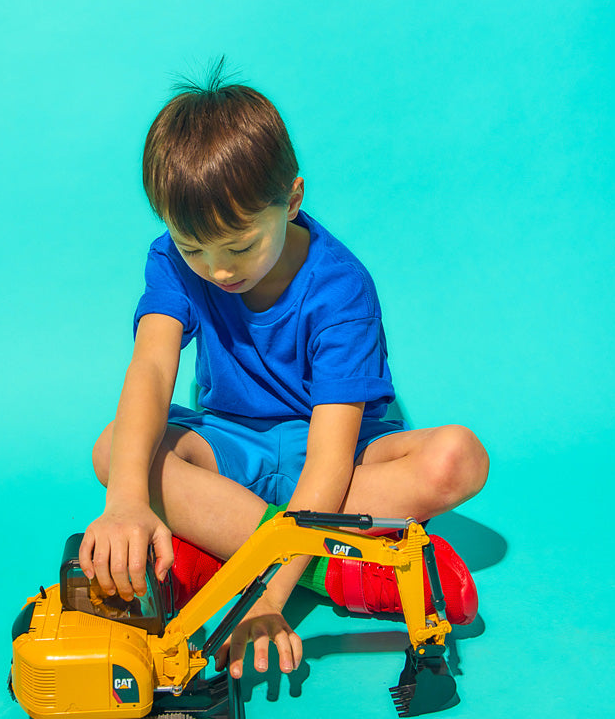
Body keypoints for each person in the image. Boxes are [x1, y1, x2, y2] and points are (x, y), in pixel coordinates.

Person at [80, 63, 489, 682]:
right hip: (232, 444)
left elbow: (329, 460)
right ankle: (340, 569)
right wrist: (126, 502)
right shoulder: (171, 258)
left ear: (292, 199)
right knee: (115, 451)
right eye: (195, 250)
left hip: (334, 460)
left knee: (458, 457)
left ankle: (234, 542)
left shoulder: (340, 287)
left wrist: (268, 600)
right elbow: (153, 363)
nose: (217, 271)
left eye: (239, 247)